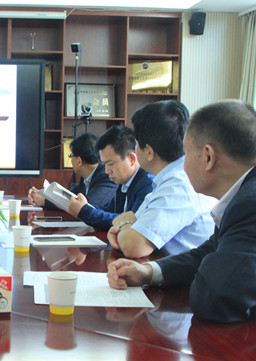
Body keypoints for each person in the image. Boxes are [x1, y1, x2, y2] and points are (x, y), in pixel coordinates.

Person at [108, 100, 256, 323]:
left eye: (186, 154)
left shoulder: (249, 206)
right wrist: (148, 272)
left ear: (208, 157)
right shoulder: (241, 199)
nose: (181, 163)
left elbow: (213, 298)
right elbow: (207, 252)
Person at [107, 100, 215, 258]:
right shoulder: (167, 179)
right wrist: (126, 226)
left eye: (137, 143)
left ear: (149, 152)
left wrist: (123, 224)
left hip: (188, 273)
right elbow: (132, 224)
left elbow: (133, 246)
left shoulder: (179, 184)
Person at [68, 125, 154, 231]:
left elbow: (130, 222)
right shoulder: (125, 183)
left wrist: (86, 211)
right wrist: (84, 207)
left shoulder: (148, 184)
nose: (107, 171)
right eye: (104, 164)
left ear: (131, 159)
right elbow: (110, 212)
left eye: (110, 164)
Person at [28, 132, 116, 210]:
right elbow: (69, 196)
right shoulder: (87, 176)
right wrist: (44, 194)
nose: (70, 159)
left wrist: (44, 201)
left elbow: (87, 207)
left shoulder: (106, 177)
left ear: (79, 161)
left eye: (71, 155)